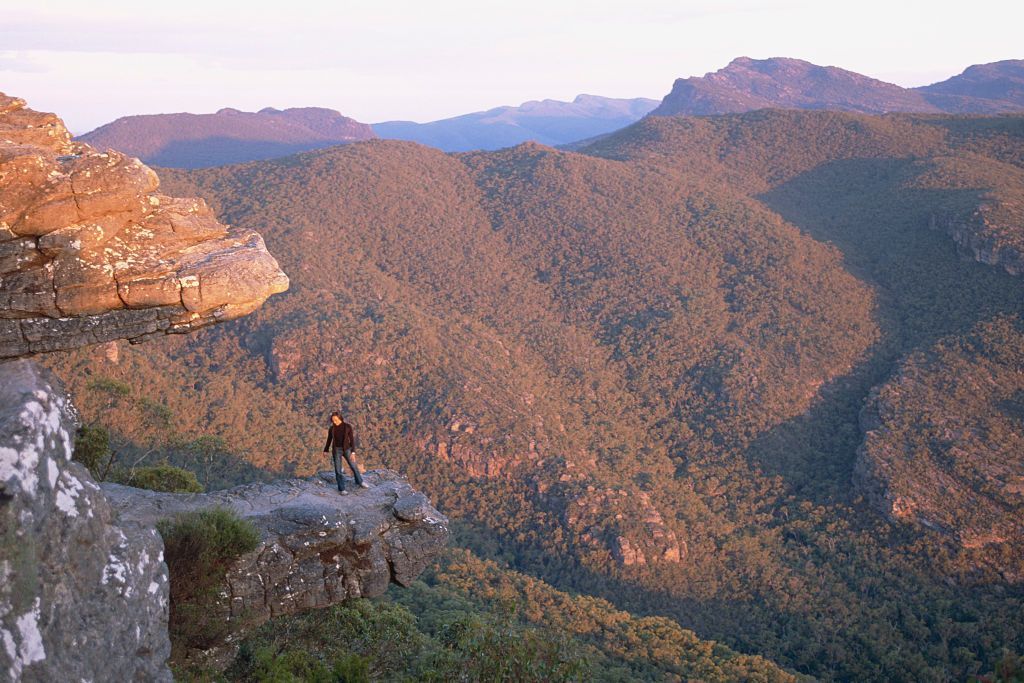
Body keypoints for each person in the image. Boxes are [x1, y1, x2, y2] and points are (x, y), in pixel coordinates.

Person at [323, 411, 369, 494]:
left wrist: (353, 452)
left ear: (340, 418)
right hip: (336, 450)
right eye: (333, 420)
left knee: (353, 466)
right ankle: (341, 489)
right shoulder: (332, 429)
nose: (334, 422)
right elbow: (329, 439)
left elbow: (352, 440)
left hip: (347, 449)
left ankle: (360, 482)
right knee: (338, 470)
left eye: (336, 420)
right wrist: (326, 450)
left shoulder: (347, 427)